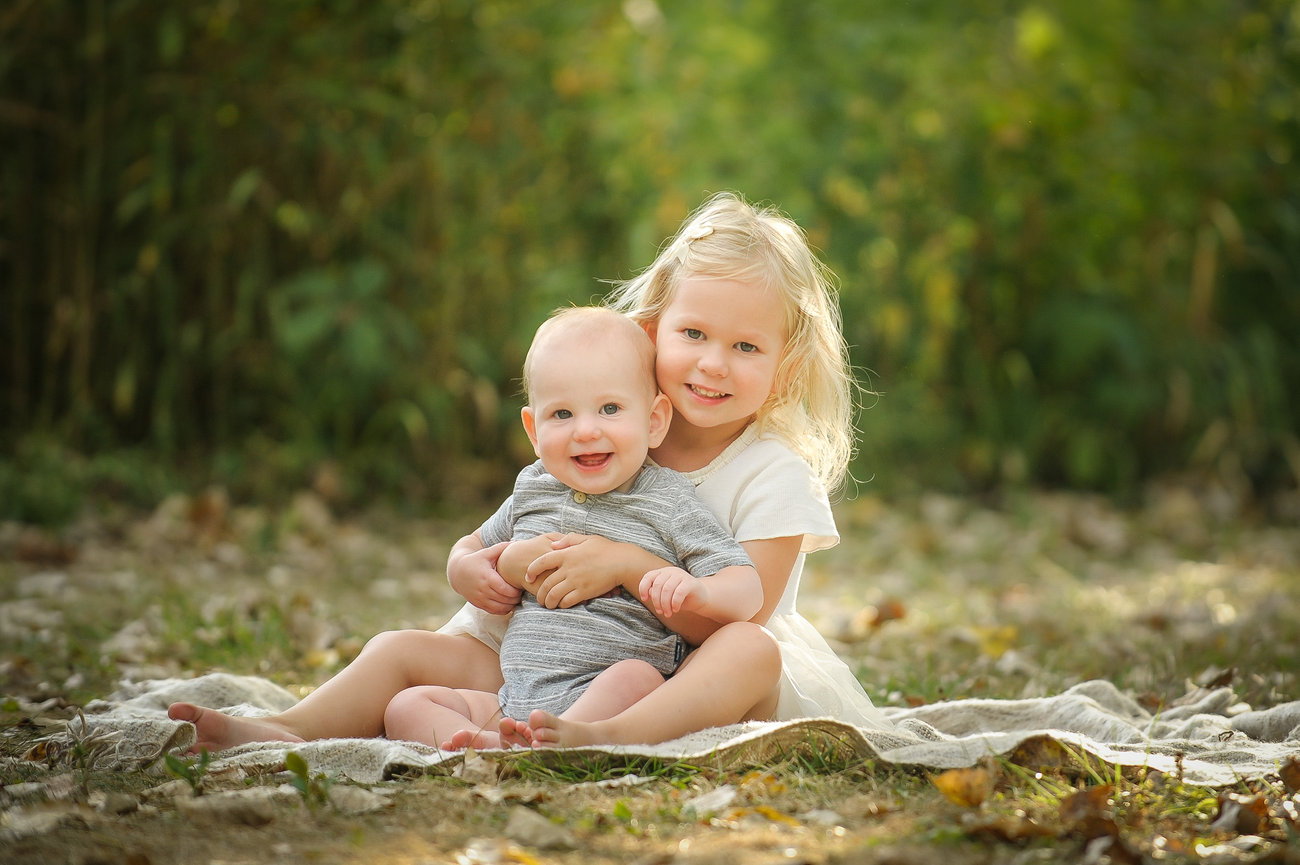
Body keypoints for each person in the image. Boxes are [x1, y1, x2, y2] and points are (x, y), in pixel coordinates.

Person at [169, 191, 891, 753]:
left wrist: (626, 564)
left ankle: (605, 738)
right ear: (651, 329)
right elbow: (498, 543)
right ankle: (287, 728)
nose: (712, 363)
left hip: (677, 677)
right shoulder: (609, 433)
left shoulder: (770, 472)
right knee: (398, 651)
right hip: (548, 656)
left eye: (745, 346)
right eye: (693, 333)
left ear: (786, 365)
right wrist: (473, 568)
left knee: (750, 649)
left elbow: (744, 610)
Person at [383, 307, 761, 750]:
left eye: (610, 408)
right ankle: (502, 747)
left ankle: (576, 740)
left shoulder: (666, 499)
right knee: (404, 707)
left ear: (655, 420)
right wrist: (462, 569)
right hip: (516, 696)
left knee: (636, 677)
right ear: (534, 430)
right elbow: (473, 545)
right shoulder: (534, 488)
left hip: (611, 691)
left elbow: (747, 585)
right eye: (561, 414)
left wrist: (701, 592)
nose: (585, 430)